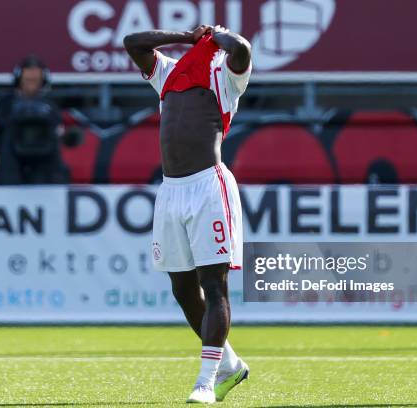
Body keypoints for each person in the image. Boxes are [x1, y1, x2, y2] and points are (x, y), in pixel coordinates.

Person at [124, 25, 251, 404]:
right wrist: (186, 35)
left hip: (208, 189)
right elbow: (133, 43)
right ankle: (230, 364)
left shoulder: (226, 77)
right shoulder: (169, 71)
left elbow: (241, 48)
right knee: (182, 289)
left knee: (214, 287)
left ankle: (206, 381)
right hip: (171, 190)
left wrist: (219, 36)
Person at [0, 55, 69, 185]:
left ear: (43, 80)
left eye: (35, 80)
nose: (32, 83)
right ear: (19, 78)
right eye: (28, 79)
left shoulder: (50, 107)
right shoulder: (0, 102)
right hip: (9, 164)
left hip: (42, 166)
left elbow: (58, 138)